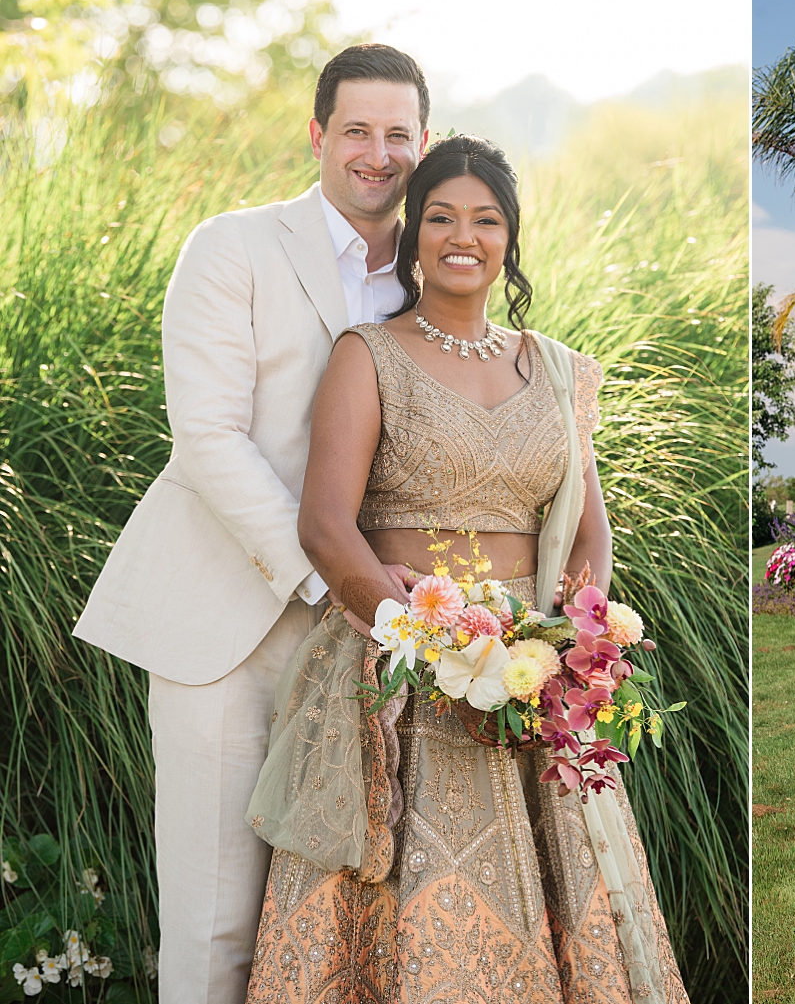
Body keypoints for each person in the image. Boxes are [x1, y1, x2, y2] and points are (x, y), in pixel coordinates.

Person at [241, 135, 688, 1003]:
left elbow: (589, 526)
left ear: (509, 241)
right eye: (440, 216)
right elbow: (326, 526)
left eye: (486, 220)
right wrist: (422, 634)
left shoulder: (558, 369)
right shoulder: (366, 354)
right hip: (404, 664)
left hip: (538, 667)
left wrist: (577, 638)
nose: (463, 235)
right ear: (412, 236)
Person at [72, 43, 431, 1003]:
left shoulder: (437, 272)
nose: (377, 152)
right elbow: (207, 439)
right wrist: (336, 578)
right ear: (318, 135)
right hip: (228, 627)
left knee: (345, 926)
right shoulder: (231, 247)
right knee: (218, 922)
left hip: (375, 646)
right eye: (356, 129)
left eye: (398, 133)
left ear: (423, 142)